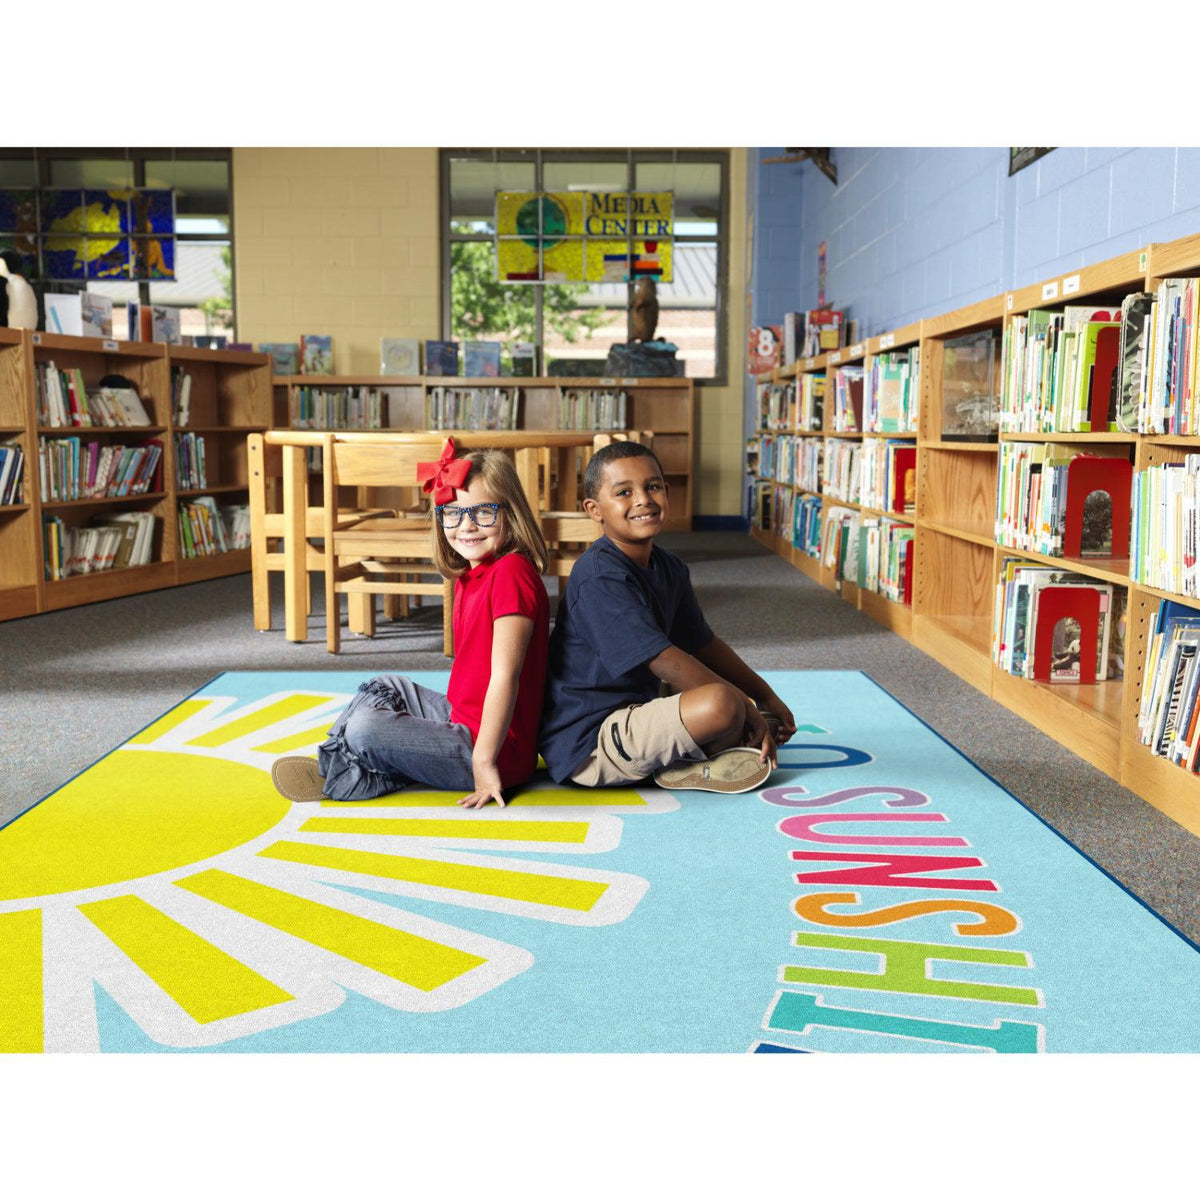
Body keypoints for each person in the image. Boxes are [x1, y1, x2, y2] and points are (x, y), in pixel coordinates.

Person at [271, 439, 550, 809]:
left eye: (483, 513)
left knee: (366, 729)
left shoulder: (512, 572)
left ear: (510, 513)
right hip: (463, 717)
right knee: (384, 685)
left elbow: (505, 676)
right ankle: (349, 761)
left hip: (495, 751)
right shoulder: (472, 573)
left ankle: (354, 771)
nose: (466, 526)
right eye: (451, 513)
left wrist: (483, 761)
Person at [539, 440, 796, 794]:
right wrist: (745, 707)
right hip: (590, 741)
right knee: (722, 703)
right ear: (594, 509)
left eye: (653, 486)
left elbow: (704, 644)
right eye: (624, 492)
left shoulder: (669, 566)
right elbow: (661, 659)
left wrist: (764, 695)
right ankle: (690, 761)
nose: (643, 499)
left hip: (639, 706)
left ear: (667, 492)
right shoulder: (598, 576)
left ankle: (710, 743)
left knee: (727, 703)